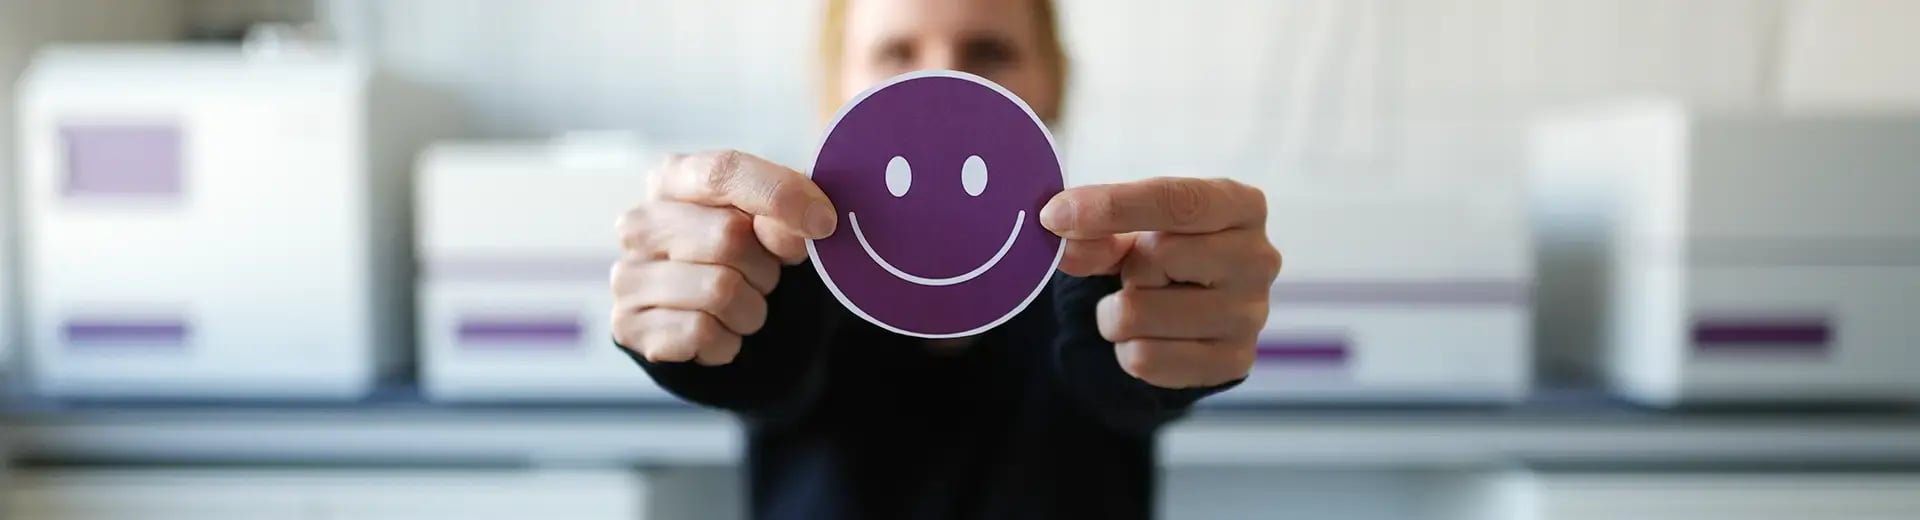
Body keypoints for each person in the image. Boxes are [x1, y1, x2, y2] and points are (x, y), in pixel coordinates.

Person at [609, 0, 1281, 518]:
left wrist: (1162, 340)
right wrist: (712, 328)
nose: (943, 81)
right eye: (896, 53)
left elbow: (1127, 386)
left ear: (1054, 85)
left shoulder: (1105, 274)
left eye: (987, 51)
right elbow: (765, 371)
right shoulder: (784, 280)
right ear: (832, 92)